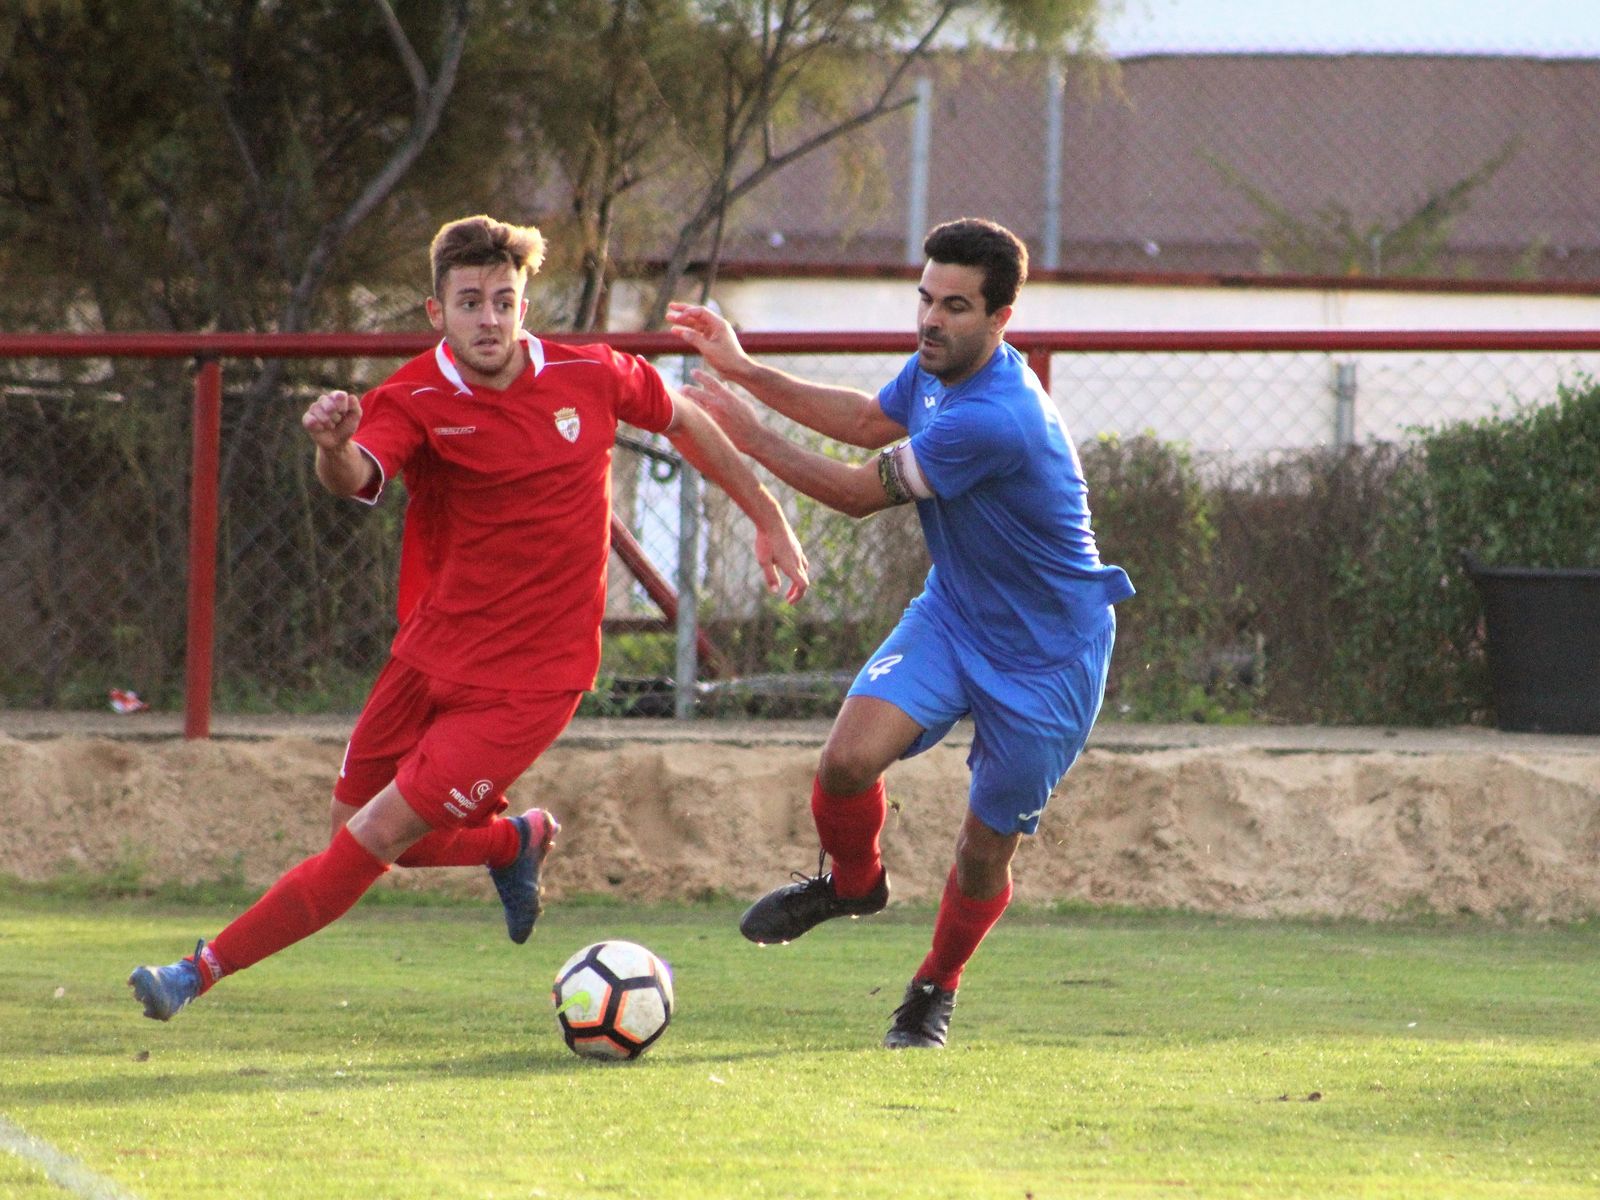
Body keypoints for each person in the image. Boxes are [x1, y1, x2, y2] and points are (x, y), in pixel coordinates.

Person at [129, 214, 809, 1021]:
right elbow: (356, 475)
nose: (489, 318)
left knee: (371, 840)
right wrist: (330, 446)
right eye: (470, 302)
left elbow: (686, 420)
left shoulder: (589, 375)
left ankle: (194, 972)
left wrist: (766, 511)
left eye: (504, 300)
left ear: (525, 304)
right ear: (436, 312)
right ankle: (512, 840)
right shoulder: (413, 395)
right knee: (366, 832)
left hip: (528, 682)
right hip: (425, 656)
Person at [667, 217, 1133, 1050]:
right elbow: (862, 419)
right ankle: (854, 885)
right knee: (846, 762)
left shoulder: (997, 417)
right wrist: (741, 369)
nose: (930, 319)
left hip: (1048, 658)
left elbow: (852, 491)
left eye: (955, 306)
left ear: (1000, 320)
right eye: (925, 298)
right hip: (955, 614)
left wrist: (746, 429)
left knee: (984, 851)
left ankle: (933, 988)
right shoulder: (934, 373)